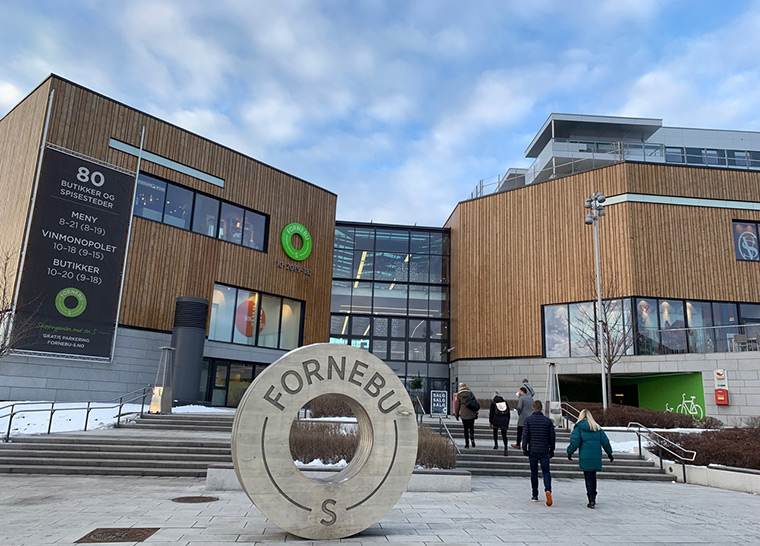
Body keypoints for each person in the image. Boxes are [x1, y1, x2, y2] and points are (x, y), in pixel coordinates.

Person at [566, 409, 614, 509]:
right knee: (593, 476)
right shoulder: (597, 428)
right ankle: (593, 497)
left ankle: (590, 499)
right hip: (596, 456)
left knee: (588, 477)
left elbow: (574, 442)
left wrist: (570, 452)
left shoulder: (579, 428)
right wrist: (609, 453)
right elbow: (605, 441)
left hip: (585, 456)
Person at [523, 399, 556, 506]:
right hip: (544, 450)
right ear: (541, 408)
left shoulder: (528, 420)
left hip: (533, 449)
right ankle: (548, 490)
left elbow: (526, 436)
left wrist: (524, 448)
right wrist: (552, 449)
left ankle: (535, 494)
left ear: (533, 408)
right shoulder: (548, 421)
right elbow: (552, 437)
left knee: (534, 472)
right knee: (546, 471)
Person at [454, 383, 478, 448]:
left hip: (464, 414)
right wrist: (476, 412)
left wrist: (456, 415)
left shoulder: (459, 394)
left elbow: (457, 406)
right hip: (471, 413)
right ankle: (472, 438)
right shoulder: (470, 393)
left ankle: (467, 444)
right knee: (471, 427)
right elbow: (475, 402)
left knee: (465, 429)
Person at [489, 390, 511, 455]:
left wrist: (491, 422)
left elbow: (491, 413)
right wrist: (507, 422)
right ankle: (506, 448)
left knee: (495, 433)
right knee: (504, 435)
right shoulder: (505, 403)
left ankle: (496, 445)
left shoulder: (493, 403)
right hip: (504, 421)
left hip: (496, 420)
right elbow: (508, 414)